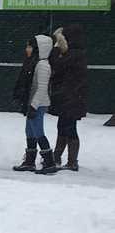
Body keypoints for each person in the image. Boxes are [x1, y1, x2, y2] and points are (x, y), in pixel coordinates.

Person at [12, 35, 56, 173]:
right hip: (33, 103)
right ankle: (30, 161)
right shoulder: (34, 63)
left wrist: (34, 105)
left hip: (38, 104)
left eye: (30, 46)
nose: (27, 49)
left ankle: (49, 162)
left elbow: (42, 89)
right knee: (30, 132)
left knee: (38, 132)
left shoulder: (43, 65)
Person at [49, 25, 88, 172]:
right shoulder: (76, 53)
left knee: (69, 128)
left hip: (71, 98)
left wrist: (56, 48)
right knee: (63, 126)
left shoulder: (74, 54)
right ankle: (58, 157)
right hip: (70, 97)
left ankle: (71, 161)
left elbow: (58, 65)